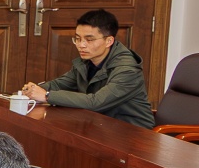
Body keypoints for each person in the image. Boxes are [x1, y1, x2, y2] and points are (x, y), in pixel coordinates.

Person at [20, 8, 154, 129]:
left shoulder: (127, 70)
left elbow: (96, 102)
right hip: (101, 126)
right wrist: (34, 90)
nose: (81, 45)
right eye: (77, 39)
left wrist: (46, 96)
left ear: (109, 41)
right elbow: (59, 84)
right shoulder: (87, 62)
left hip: (133, 133)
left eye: (89, 40)